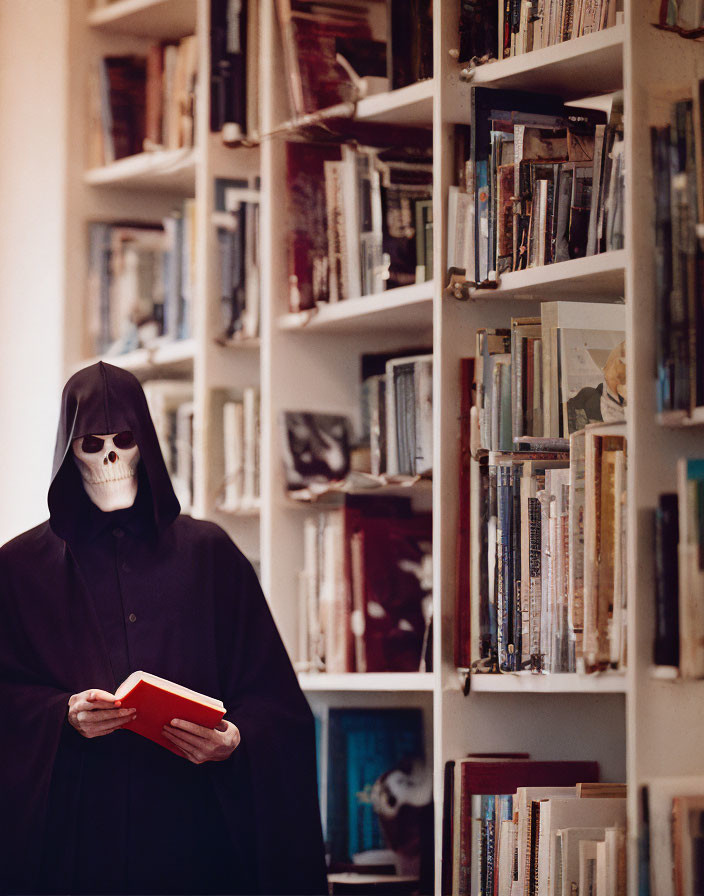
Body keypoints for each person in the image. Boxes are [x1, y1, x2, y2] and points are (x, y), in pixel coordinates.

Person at [0, 361, 329, 895]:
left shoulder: (210, 555)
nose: (109, 456)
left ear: (146, 443)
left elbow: (277, 704)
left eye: (123, 440)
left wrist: (235, 739)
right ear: (67, 450)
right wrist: (61, 716)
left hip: (194, 840)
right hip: (74, 848)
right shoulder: (17, 569)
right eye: (92, 443)